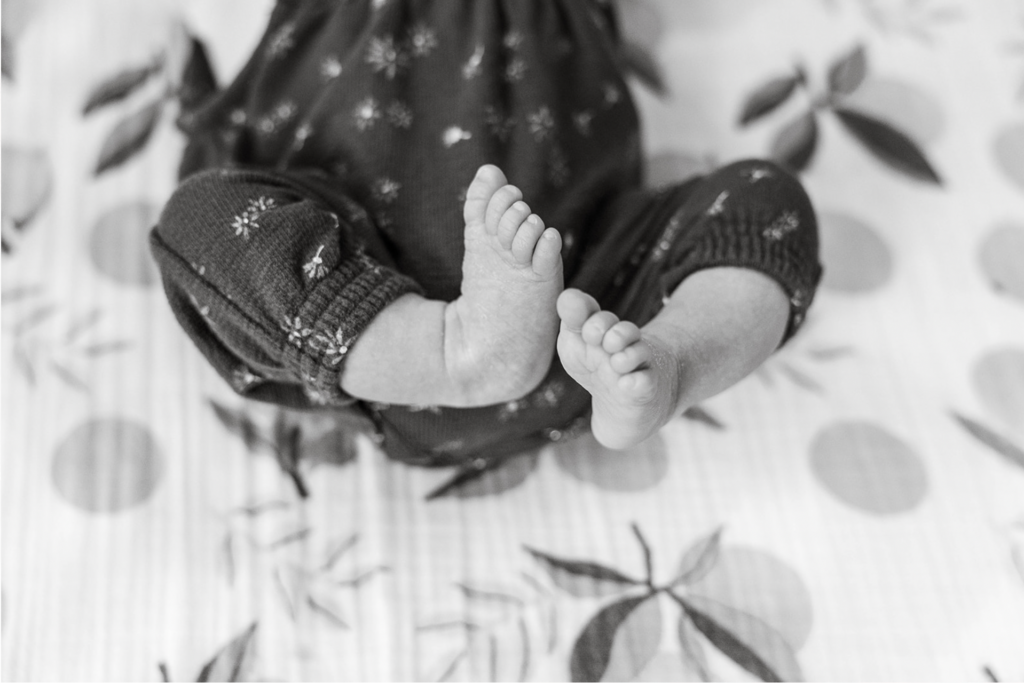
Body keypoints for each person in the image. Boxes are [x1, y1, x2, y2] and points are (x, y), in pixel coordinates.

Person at [150, 0, 822, 467]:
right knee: (201, 217)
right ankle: (455, 351)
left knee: (767, 197)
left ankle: (670, 365)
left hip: (582, 317)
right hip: (366, 310)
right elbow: (218, 105)